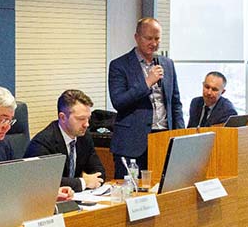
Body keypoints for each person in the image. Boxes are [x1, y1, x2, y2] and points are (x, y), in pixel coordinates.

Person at [108, 17, 184, 178]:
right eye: (149, 38)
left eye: (157, 39)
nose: (153, 43)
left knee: (162, 187)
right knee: (129, 188)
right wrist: (147, 82)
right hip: (132, 143)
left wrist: (180, 135)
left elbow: (175, 103)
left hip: (164, 137)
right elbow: (118, 101)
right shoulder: (119, 65)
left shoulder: (167, 64)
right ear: (137, 37)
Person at [25, 89, 107, 192]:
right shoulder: (42, 143)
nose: (86, 124)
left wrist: (87, 181)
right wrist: (83, 182)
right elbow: (43, 181)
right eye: (81, 119)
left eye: (88, 118)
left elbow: (99, 173)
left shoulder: (84, 137)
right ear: (63, 117)